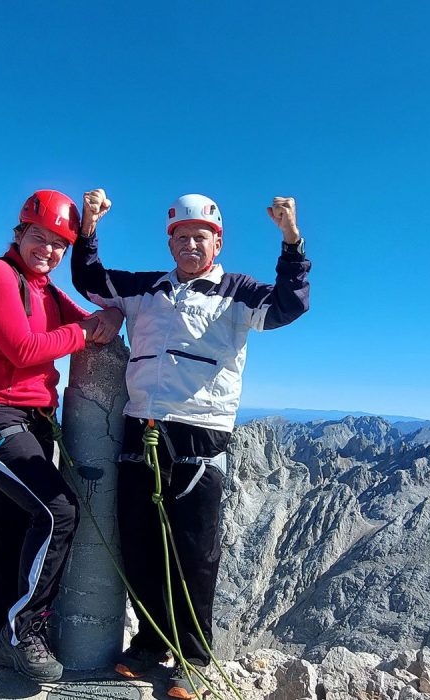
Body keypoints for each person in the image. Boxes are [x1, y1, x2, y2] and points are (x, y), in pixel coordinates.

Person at [71, 190, 310, 698]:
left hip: (200, 435)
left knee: (195, 553)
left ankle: (194, 656)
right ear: (170, 242)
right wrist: (89, 225)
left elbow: (290, 305)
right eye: (182, 236)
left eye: (201, 236)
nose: (191, 245)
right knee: (140, 544)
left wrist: (291, 241)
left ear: (217, 242)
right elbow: (90, 280)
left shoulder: (236, 292)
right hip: (142, 428)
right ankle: (149, 644)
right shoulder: (146, 289)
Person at [0, 189, 122, 681]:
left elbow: (89, 318)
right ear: (19, 233)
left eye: (59, 244)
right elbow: (24, 348)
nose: (48, 250)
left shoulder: (44, 288)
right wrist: (86, 334)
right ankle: (21, 632)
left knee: (13, 517)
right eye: (40, 237)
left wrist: (103, 320)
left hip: (30, 418)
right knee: (58, 509)